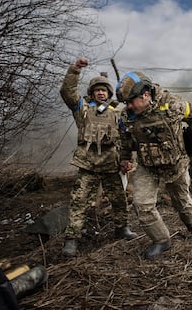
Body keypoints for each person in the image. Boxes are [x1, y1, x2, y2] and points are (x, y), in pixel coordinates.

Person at [116, 71, 192, 259]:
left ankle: (189, 221)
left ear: (146, 95)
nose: (129, 106)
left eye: (132, 101)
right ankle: (162, 240)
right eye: (127, 103)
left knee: (183, 204)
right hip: (148, 167)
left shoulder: (172, 104)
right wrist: (125, 158)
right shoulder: (127, 116)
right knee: (142, 205)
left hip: (176, 165)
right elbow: (125, 140)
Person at [59, 57, 138, 257]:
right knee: (79, 201)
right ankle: (72, 239)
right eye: (97, 90)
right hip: (87, 165)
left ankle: (122, 228)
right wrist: (74, 70)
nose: (101, 92)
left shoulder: (118, 113)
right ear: (92, 93)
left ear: (109, 93)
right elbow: (67, 92)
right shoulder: (82, 109)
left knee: (119, 199)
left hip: (111, 164)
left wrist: (127, 160)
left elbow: (126, 137)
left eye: (104, 90)